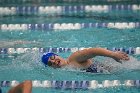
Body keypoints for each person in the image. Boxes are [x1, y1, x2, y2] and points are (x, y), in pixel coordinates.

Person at [41, 47, 129, 73]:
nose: (53, 61)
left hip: (115, 68)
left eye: (52, 58)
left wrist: (113, 55)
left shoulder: (73, 58)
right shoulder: (67, 69)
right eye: (49, 63)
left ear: (57, 55)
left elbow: (92, 51)